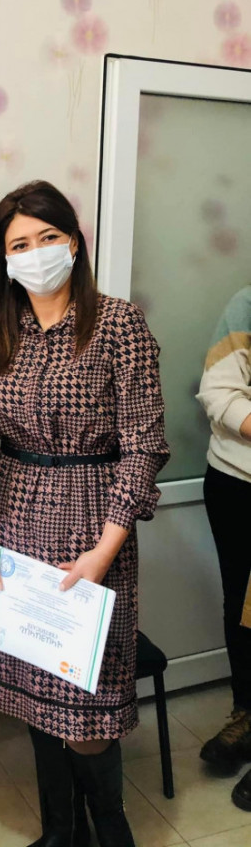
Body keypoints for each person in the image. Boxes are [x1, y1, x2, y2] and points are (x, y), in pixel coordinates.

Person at [0, 180, 168, 847]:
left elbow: (144, 446)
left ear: (73, 242)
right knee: (35, 692)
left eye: (48, 237)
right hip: (11, 528)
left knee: (87, 707)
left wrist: (104, 550)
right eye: (20, 243)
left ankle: (111, 831)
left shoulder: (118, 324)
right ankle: (60, 832)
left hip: (94, 529)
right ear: (4, 257)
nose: (36, 252)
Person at [197, 286, 251, 811]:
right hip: (237, 480)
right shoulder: (247, 303)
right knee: (240, 605)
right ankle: (246, 716)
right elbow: (219, 393)